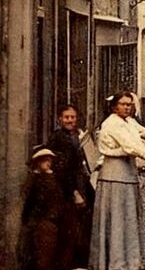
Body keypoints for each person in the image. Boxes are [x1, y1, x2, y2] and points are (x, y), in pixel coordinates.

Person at [90, 91, 145, 270]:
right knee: (117, 218)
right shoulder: (111, 124)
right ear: (113, 106)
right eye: (123, 104)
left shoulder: (129, 122)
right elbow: (132, 148)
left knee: (128, 217)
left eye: (129, 104)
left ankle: (130, 260)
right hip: (114, 175)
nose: (127, 107)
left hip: (128, 172)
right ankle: (116, 263)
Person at [47, 104, 95, 269]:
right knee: (69, 231)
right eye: (66, 117)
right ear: (60, 119)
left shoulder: (72, 135)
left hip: (77, 184)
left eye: (72, 117)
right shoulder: (59, 138)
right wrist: (74, 192)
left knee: (78, 228)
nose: (70, 120)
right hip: (66, 191)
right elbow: (62, 170)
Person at [18, 148, 66, 270]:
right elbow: (28, 200)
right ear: (38, 162)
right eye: (45, 160)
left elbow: (58, 199)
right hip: (37, 221)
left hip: (50, 220)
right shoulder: (34, 178)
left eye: (50, 160)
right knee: (33, 253)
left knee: (47, 254)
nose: (48, 163)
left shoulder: (52, 178)